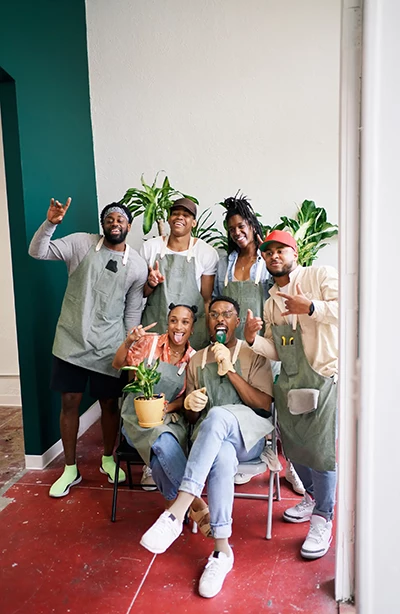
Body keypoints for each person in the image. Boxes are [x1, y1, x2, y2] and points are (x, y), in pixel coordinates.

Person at [139, 296, 274, 599]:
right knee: (220, 451)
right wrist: (189, 405)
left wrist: (232, 372)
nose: (220, 319)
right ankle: (221, 552)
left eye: (227, 313)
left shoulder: (253, 356)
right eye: (214, 314)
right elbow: (192, 417)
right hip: (212, 442)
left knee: (220, 416)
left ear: (236, 321)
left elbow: (264, 404)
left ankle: (177, 511)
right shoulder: (197, 360)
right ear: (208, 323)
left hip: (248, 436)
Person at [29, 198, 148, 497]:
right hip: (72, 340)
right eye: (110, 218)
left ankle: (108, 458)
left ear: (129, 226)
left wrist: (127, 352)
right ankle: (70, 468)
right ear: (103, 224)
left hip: (109, 347)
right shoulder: (81, 244)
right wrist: (51, 224)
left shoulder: (136, 265)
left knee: (109, 404)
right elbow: (37, 251)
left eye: (121, 219)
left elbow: (132, 313)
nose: (115, 222)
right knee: (69, 402)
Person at [244, 230, 338, 560]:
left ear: (294, 254)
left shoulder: (320, 276)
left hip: (324, 377)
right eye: (268, 252)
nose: (273, 256)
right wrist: (252, 339)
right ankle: (311, 497)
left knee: (321, 451)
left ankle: (323, 517)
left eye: (280, 250)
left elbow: (351, 309)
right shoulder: (271, 303)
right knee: (296, 449)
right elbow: (277, 351)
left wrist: (311, 307)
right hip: (291, 383)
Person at [214, 195, 304, 495]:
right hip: (233, 344)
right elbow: (217, 301)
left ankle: (290, 464)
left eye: (241, 226)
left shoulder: (266, 262)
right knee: (238, 394)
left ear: (252, 226)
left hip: (263, 341)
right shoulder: (226, 262)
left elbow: (283, 290)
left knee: (277, 401)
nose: (236, 232)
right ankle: (249, 448)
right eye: (231, 229)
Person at [112, 303, 197, 494]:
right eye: (173, 321)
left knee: (161, 454)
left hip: (170, 421)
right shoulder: (149, 344)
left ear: (192, 329)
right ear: (167, 323)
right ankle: (192, 499)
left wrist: (167, 408)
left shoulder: (194, 359)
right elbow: (117, 364)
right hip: (136, 420)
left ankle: (172, 513)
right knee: (163, 439)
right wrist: (128, 342)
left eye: (185, 322)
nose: (178, 327)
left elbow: (187, 399)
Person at [140, 198, 219, 350]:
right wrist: (151, 283)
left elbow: (207, 299)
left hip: (191, 331)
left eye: (186, 215)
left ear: (193, 222)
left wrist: (210, 333)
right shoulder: (150, 248)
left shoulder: (206, 253)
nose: (180, 217)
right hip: (155, 324)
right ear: (169, 219)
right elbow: (140, 294)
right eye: (175, 213)